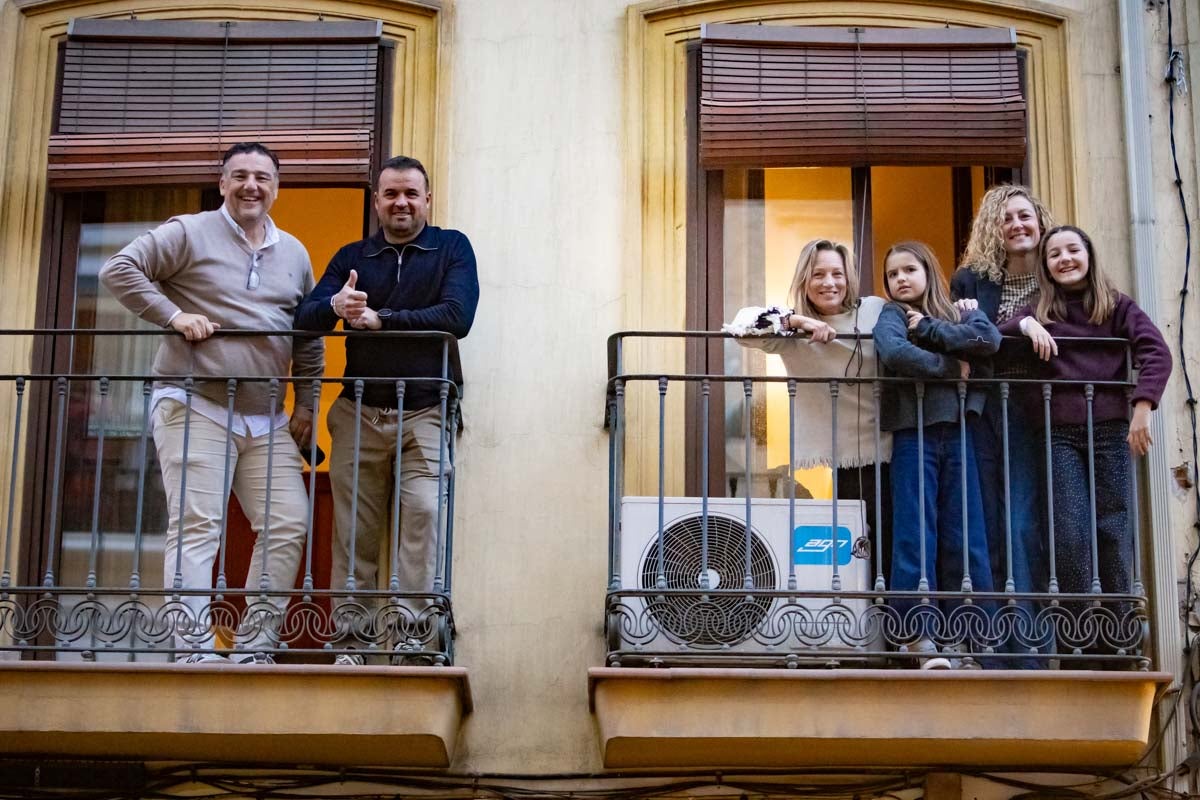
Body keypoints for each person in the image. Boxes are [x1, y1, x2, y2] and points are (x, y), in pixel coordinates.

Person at [99, 142, 323, 664]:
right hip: (195, 403)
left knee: (289, 520)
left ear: (276, 188)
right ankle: (193, 650)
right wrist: (174, 316)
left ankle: (252, 650)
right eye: (240, 176)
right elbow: (119, 269)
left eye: (263, 178)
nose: (252, 186)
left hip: (267, 419)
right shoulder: (188, 231)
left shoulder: (294, 252)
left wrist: (307, 405)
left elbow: (308, 335)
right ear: (222, 184)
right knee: (199, 525)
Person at [294, 155, 479, 665]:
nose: (400, 202)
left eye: (410, 194)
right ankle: (351, 644)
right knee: (354, 532)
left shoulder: (451, 248)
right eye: (390, 194)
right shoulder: (355, 255)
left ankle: (412, 643)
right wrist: (337, 307)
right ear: (376, 201)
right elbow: (305, 318)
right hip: (359, 412)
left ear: (427, 200)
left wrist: (382, 319)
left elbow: (457, 315)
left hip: (426, 412)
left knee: (421, 515)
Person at [1000, 225, 1171, 665]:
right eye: (1054, 254)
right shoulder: (1041, 306)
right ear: (1047, 265)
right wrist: (1027, 321)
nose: (1065, 259)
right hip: (1058, 434)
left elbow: (1156, 351)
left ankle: (1119, 640)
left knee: (1113, 531)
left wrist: (1142, 406)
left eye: (1073, 250)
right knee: (1071, 535)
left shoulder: (1115, 305)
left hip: (1112, 431)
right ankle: (1081, 643)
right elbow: (998, 335)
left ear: (1088, 255)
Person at [730, 239, 893, 581]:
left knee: (899, 539)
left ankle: (902, 625)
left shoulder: (875, 309)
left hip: (894, 443)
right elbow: (741, 327)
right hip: (848, 456)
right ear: (805, 280)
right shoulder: (792, 331)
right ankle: (866, 621)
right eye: (818, 274)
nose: (829, 282)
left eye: (837, 273)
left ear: (848, 278)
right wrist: (799, 322)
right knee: (860, 546)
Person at [874, 241, 1000, 669]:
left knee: (965, 536)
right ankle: (918, 636)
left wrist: (928, 329)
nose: (900, 279)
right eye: (892, 274)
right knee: (915, 532)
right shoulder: (890, 315)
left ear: (929, 270)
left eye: (909, 269)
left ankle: (968, 640)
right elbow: (894, 352)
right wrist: (951, 367)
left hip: (960, 431)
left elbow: (987, 338)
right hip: (913, 435)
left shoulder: (960, 309)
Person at [951, 185, 1056, 661]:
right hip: (985, 408)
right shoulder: (971, 280)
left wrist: (1016, 325)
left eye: (1024, 216)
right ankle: (992, 648)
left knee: (1026, 525)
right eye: (1007, 218)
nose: (1017, 225)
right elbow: (971, 338)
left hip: (1040, 410)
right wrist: (1017, 326)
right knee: (987, 525)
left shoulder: (1060, 272)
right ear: (993, 227)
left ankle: (1032, 650)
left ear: (1039, 220)